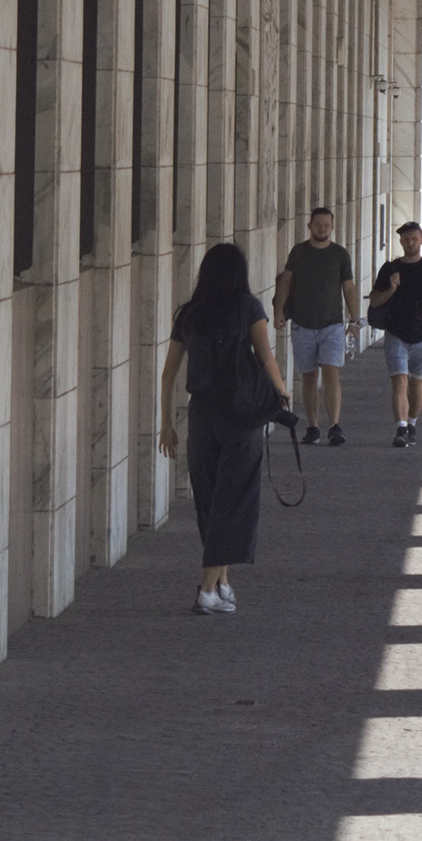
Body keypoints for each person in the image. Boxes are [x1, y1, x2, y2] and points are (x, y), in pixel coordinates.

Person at [158, 242, 293, 615]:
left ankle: (222, 583)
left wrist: (166, 423)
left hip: (202, 414)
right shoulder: (248, 307)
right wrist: (281, 393)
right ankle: (206, 589)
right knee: (236, 501)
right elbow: (266, 359)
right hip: (240, 416)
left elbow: (168, 374)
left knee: (211, 500)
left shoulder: (189, 314)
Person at [273, 204, 359, 445]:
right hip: (303, 325)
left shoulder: (340, 254)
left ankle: (334, 425)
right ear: (310, 226)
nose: (322, 229)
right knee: (309, 377)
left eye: (326, 225)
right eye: (318, 225)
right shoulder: (299, 252)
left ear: (332, 227)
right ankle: (312, 427)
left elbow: (349, 287)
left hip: (332, 325)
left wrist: (355, 321)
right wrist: (278, 311)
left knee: (331, 373)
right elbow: (285, 281)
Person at [369, 220, 422, 449]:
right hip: (396, 332)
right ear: (401, 241)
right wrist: (391, 288)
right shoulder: (390, 268)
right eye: (406, 239)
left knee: (417, 383)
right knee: (400, 380)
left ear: (421, 240)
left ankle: (412, 423)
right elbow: (374, 300)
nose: (410, 243)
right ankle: (401, 428)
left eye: (414, 239)